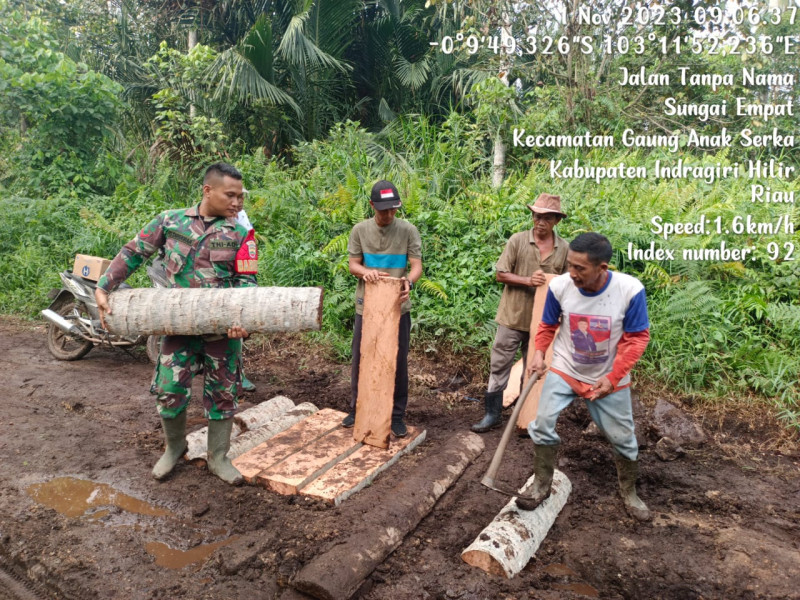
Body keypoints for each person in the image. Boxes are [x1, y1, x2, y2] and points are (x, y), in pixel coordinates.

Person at [95, 163, 258, 485]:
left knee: (224, 394)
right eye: (231, 195)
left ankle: (218, 458)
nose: (238, 203)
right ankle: (174, 448)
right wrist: (104, 286)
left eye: (241, 196)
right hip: (176, 328)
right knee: (169, 391)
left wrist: (244, 321)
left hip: (221, 334)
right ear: (207, 190)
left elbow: (248, 282)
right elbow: (134, 252)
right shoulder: (169, 221)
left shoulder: (241, 234)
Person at [518, 232, 651, 521]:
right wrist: (539, 353)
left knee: (624, 439)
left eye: (580, 268)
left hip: (608, 375)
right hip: (566, 369)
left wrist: (614, 377)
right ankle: (541, 485)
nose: (572, 273)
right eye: (569, 265)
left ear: (602, 268)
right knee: (540, 425)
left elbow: (637, 338)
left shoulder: (629, 290)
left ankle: (629, 492)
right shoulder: (561, 287)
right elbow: (547, 325)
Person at [471, 193, 569, 433]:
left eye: (547, 218)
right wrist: (527, 280)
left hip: (543, 324)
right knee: (500, 364)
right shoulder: (517, 241)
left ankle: (527, 417)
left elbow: (569, 285)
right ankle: (492, 414)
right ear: (532, 216)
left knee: (535, 367)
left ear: (556, 220)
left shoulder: (564, 248)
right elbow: (500, 274)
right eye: (537, 216)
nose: (541, 222)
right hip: (512, 317)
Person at [341, 180, 422, 438]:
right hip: (367, 307)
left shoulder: (408, 230)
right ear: (372, 205)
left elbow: (417, 266)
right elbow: (354, 265)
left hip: (398, 306)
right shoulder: (360, 230)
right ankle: (358, 409)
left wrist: (408, 282)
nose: (388, 215)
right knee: (362, 357)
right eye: (383, 210)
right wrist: (367, 272)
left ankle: (396, 415)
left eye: (393, 210)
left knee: (397, 361)